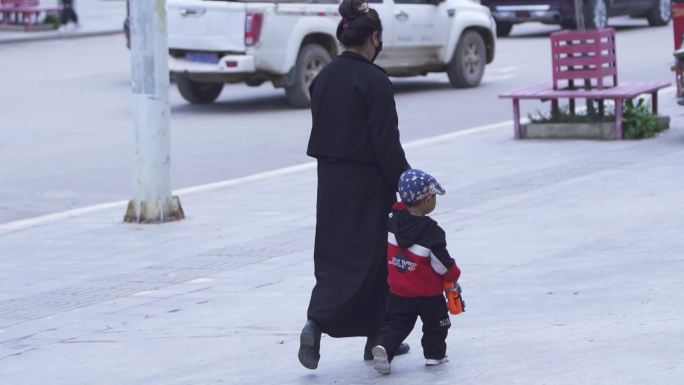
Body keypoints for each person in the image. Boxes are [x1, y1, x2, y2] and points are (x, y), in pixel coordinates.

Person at [299, 0, 411, 370]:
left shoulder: (323, 78)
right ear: (374, 38)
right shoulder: (376, 82)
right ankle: (378, 338)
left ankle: (316, 324)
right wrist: (408, 183)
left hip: (330, 183)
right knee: (374, 258)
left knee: (334, 258)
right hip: (368, 185)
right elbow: (386, 143)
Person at [371, 169, 462, 375]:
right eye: (434, 197)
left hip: (398, 290)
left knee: (395, 324)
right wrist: (454, 274)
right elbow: (442, 266)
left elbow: (398, 206)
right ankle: (434, 356)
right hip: (427, 293)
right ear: (428, 199)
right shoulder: (432, 233)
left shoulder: (394, 219)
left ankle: (384, 348)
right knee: (436, 324)